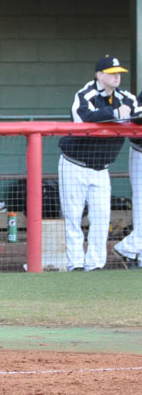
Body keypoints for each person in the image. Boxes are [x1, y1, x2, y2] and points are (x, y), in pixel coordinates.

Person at [59, 55, 141, 272]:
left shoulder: (126, 97)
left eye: (119, 74)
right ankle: (75, 263)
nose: (117, 77)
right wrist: (113, 114)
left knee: (101, 218)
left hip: (102, 167)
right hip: (74, 163)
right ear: (99, 75)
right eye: (112, 73)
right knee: (73, 216)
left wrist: (126, 114)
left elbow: (137, 112)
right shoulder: (86, 93)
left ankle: (94, 264)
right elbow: (80, 117)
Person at [112, 90, 142, 269]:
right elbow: (135, 117)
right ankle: (129, 249)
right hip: (140, 152)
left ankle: (130, 249)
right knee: (140, 205)